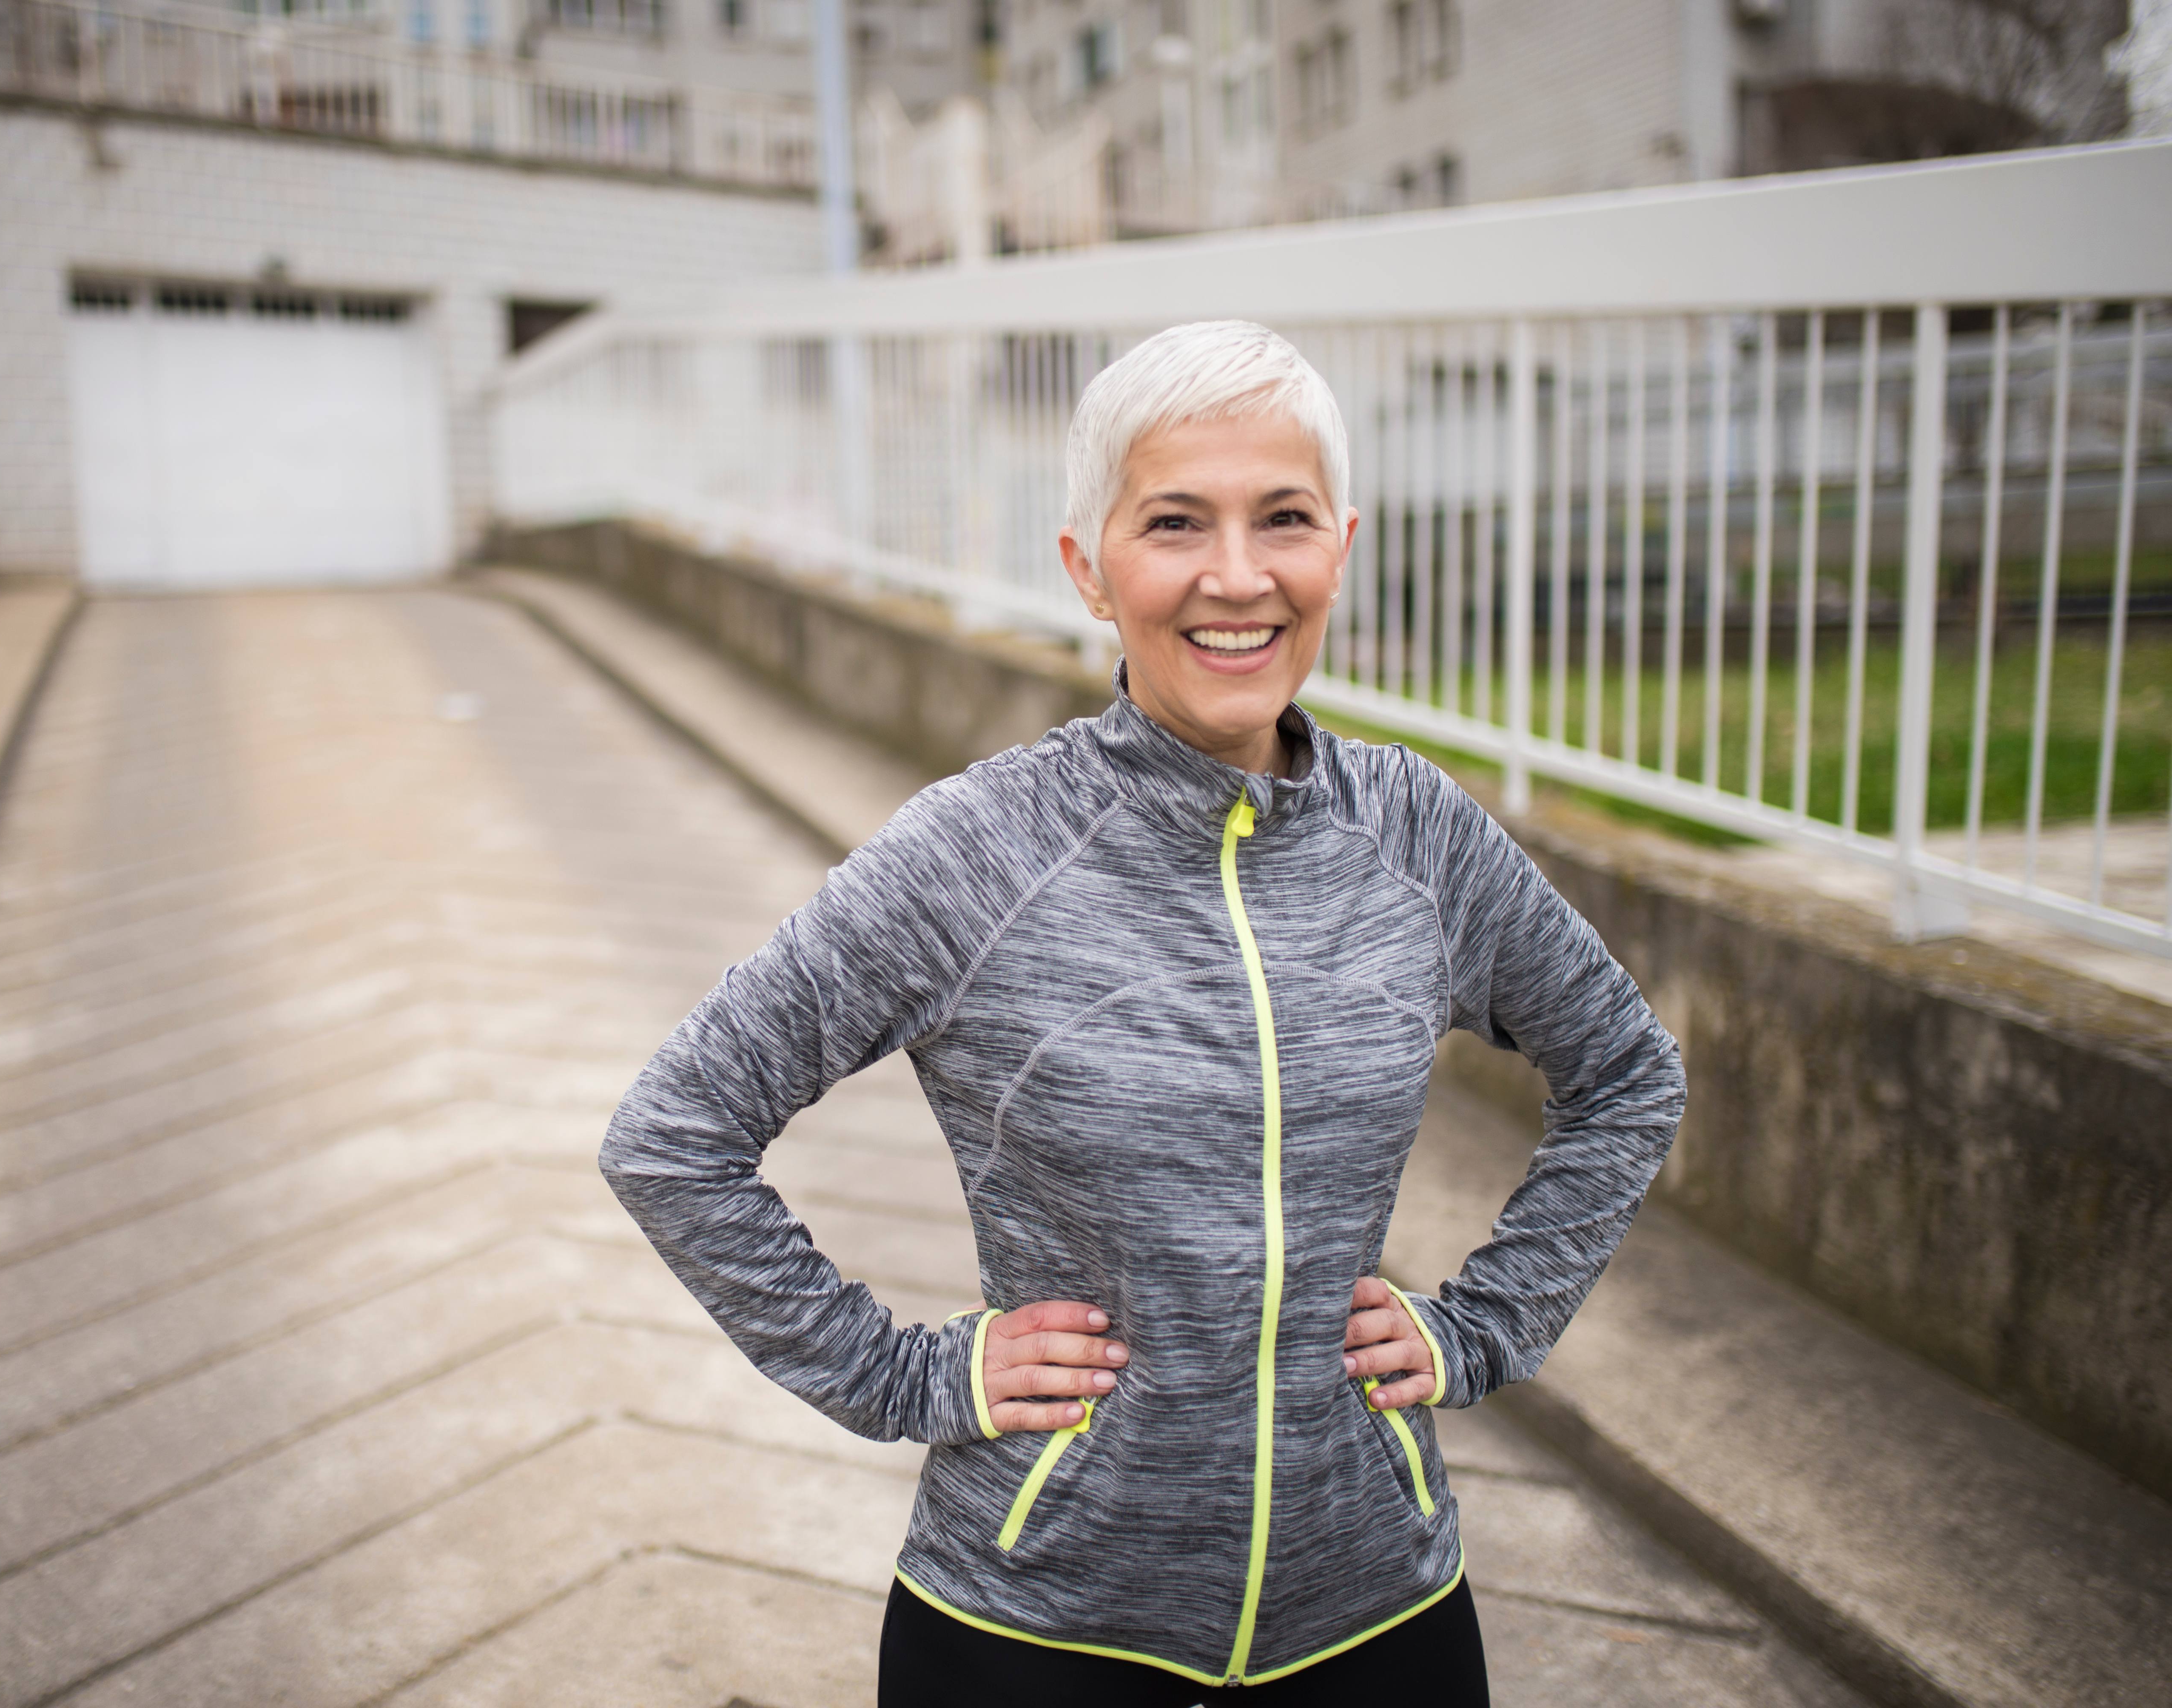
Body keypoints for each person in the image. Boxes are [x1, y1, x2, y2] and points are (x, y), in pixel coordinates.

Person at [599, 319, 1685, 1704]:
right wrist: (901, 1377)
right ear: (1089, 569)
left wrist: (1485, 1327)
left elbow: (1629, 1076)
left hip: (1379, 1613)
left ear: (1340, 548)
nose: (1237, 576)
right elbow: (674, 1136)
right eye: (1175, 523)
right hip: (1036, 1632)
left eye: (1283, 518)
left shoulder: (1419, 835)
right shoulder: (977, 851)